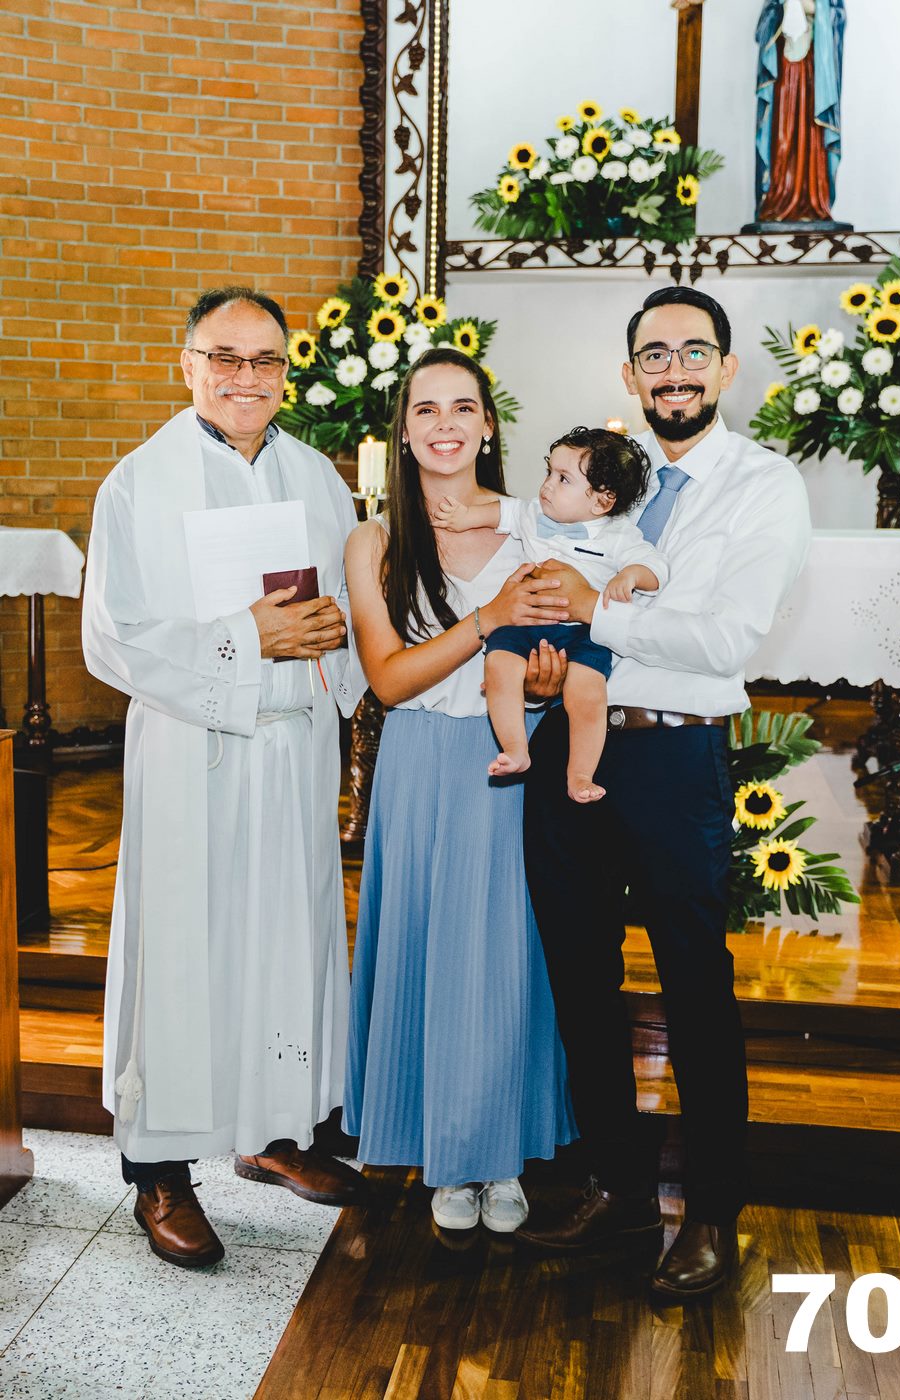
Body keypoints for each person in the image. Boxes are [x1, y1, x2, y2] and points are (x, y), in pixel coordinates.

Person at [516, 286, 811, 1300]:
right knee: (579, 977)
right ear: (630, 372)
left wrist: (597, 612)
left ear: (726, 368)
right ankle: (620, 1185)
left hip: (676, 755)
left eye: (693, 351)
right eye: (654, 354)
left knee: (694, 984)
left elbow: (727, 638)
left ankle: (713, 1214)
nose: (673, 369)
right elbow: (541, 582)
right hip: (572, 745)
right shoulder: (602, 473)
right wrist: (545, 656)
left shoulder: (763, 485)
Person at [82, 286, 367, 1269]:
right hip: (191, 752)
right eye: (226, 357)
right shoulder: (139, 483)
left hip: (293, 748)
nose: (247, 377)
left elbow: (350, 606)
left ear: (288, 370)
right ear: (188, 364)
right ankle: (160, 1169)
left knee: (285, 934)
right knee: (185, 947)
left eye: (267, 360)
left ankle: (271, 1130)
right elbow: (113, 638)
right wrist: (251, 636)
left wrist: (336, 632)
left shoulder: (317, 479)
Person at [342, 347, 576, 1234]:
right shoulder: (374, 542)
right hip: (418, 763)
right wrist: (489, 618)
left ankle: (499, 1150)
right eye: (426, 409)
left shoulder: (534, 531)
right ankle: (441, 1148)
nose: (445, 424)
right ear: (403, 433)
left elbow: (563, 655)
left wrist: (546, 686)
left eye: (462, 407)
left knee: (506, 956)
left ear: (487, 427)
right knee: (427, 950)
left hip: (511, 758)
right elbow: (388, 679)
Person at [433, 426, 667, 802]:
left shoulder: (618, 536)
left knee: (587, 695)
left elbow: (656, 568)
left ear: (602, 501)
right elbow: (502, 512)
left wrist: (631, 575)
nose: (547, 485)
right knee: (499, 667)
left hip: (582, 632)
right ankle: (515, 749)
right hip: (526, 621)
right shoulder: (532, 513)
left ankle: (580, 774)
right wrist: (465, 516)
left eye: (563, 479)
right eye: (549, 472)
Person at [752, 0, 847, 227]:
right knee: (782, 134)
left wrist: (815, 8)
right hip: (784, 69)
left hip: (815, 69)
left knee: (812, 134)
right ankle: (776, 199)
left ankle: (813, 201)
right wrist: (784, 8)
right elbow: (763, 26)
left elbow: (838, 17)